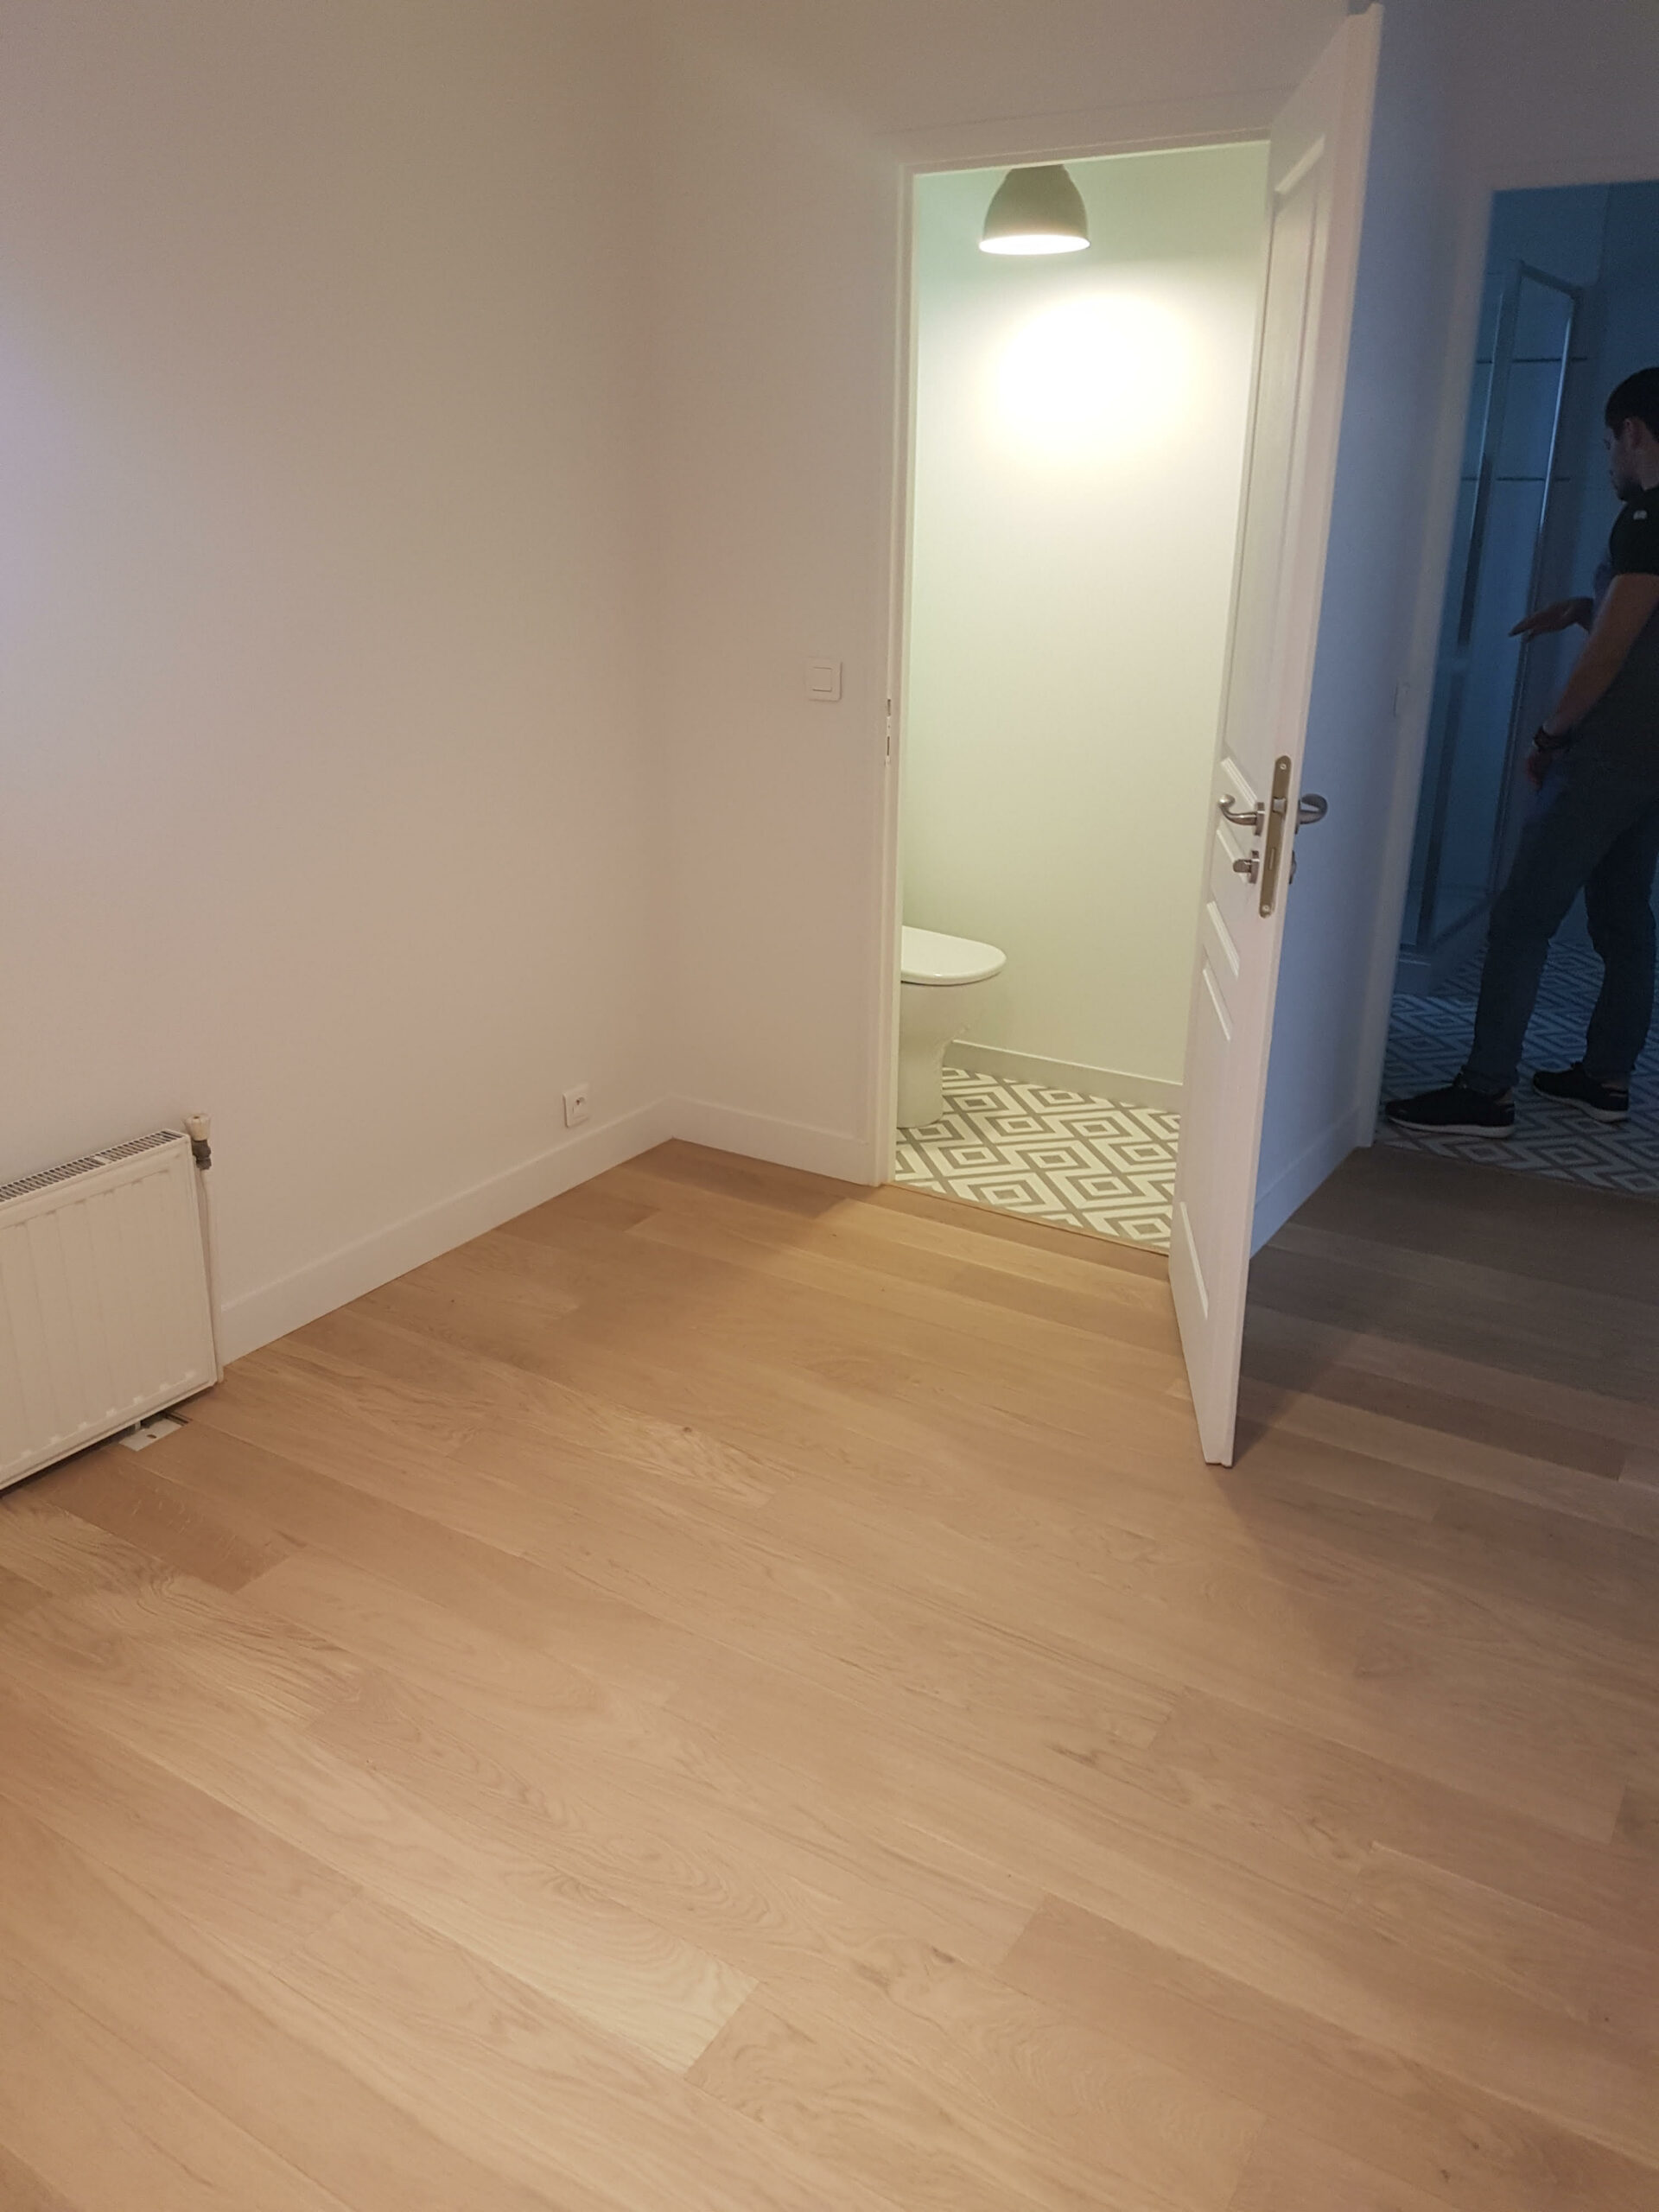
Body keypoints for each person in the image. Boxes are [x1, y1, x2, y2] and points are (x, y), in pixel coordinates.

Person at [1387, 365, 1659, 1137]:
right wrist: (1581, 607)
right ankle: (1606, 1078)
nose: (1610, 458)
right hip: (1652, 763)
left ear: (1632, 431)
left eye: (1609, 442)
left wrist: (1550, 736)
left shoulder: (1646, 520)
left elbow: (1611, 655)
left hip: (1608, 755)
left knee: (1521, 920)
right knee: (1623, 918)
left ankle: (1485, 1092)